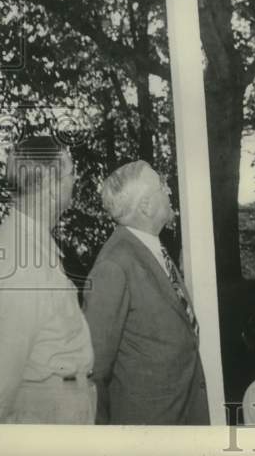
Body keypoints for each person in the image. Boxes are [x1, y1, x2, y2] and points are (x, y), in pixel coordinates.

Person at [0, 136, 96, 423]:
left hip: (56, 405)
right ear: (51, 185)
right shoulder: (21, 254)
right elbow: (6, 361)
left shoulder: (32, 243)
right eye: (70, 172)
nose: (74, 180)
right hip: (45, 413)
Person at [84, 160, 209, 424]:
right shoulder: (114, 265)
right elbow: (94, 369)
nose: (170, 191)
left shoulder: (152, 250)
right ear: (145, 206)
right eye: (162, 186)